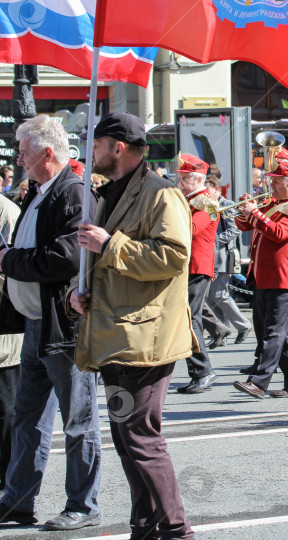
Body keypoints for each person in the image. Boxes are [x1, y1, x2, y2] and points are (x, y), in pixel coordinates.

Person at [69, 112, 194, 539]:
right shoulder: (108, 194)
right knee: (127, 439)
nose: (90, 154)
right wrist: (78, 291)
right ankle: (146, 527)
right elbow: (102, 262)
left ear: (117, 147)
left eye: (96, 145)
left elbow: (174, 258)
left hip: (145, 337)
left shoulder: (161, 194)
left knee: (140, 437)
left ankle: (177, 530)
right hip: (114, 337)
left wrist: (111, 244)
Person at [0, 115, 101, 530]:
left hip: (64, 327)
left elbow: (68, 257)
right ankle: (18, 500)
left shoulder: (72, 191)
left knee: (78, 420)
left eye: (23, 151)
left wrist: (8, 259)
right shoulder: (42, 191)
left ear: (46, 152)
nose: (18, 158)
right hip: (38, 323)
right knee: (28, 417)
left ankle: (83, 505)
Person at [232, 147, 288, 399]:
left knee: (273, 332)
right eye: (271, 181)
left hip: (283, 276)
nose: (271, 185)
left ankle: (259, 381)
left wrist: (255, 213)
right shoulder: (273, 204)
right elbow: (246, 225)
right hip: (263, 275)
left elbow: (277, 233)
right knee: (280, 331)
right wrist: (246, 210)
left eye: (276, 182)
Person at [174, 154, 220, 394]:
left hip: (197, 266)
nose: (179, 182)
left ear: (197, 179)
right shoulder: (190, 199)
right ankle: (199, 372)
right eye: (180, 177)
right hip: (185, 266)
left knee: (190, 320)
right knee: (186, 319)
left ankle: (203, 371)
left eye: (184, 178)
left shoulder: (205, 202)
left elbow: (189, 230)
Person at [202, 176, 252, 348]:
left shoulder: (226, 204)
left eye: (209, 190)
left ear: (217, 189)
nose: (207, 194)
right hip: (213, 255)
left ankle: (243, 325)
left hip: (224, 256)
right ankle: (221, 333)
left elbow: (234, 229)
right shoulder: (210, 205)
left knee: (218, 294)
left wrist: (213, 240)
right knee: (211, 297)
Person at [0, 193, 21, 491]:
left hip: (5, 328)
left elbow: (15, 266)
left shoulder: (7, 212)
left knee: (5, 407)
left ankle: (7, 477)